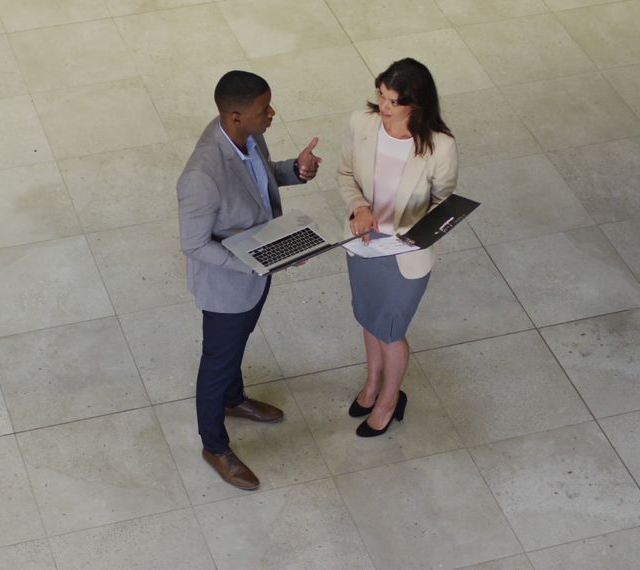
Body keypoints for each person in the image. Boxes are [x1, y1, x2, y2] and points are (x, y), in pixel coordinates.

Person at [177, 70, 322, 490]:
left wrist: (295, 169)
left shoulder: (246, 134)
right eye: (264, 110)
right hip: (229, 285)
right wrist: (257, 262)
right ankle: (214, 446)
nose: (272, 114)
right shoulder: (200, 177)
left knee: (238, 342)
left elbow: (257, 181)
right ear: (236, 116)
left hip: (257, 273)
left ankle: (233, 399)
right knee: (217, 362)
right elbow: (193, 245)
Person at [338, 58, 457, 437]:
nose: (384, 107)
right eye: (381, 96)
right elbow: (344, 174)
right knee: (369, 320)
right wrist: (359, 207)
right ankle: (372, 386)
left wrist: (407, 230)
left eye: (394, 102)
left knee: (390, 330)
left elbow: (444, 200)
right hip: (364, 245)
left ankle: (390, 399)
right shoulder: (362, 123)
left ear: (416, 104)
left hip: (405, 256)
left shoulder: (439, 145)